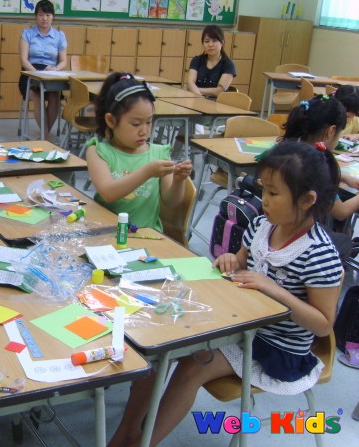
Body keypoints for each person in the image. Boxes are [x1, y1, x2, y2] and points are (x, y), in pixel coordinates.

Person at [108, 141, 343, 447]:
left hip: (276, 350)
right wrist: (229, 260)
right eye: (264, 189)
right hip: (240, 324)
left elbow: (323, 325)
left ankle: (144, 443)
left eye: (273, 193)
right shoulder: (262, 225)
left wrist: (275, 290)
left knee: (193, 367)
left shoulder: (319, 254)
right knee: (157, 346)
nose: (264, 200)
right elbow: (240, 262)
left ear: (307, 200)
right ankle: (125, 435)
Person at [86, 73, 192, 231]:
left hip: (146, 235)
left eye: (149, 122)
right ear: (111, 121)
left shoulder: (159, 153)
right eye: (136, 124)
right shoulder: (98, 151)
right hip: (106, 233)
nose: (144, 131)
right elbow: (108, 193)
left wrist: (178, 181)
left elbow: (172, 203)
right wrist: (147, 172)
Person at [282, 95, 359, 226]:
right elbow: (341, 212)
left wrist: (343, 177)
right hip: (303, 228)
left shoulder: (290, 150)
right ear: (331, 131)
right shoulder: (318, 165)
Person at [19, 0, 67, 138]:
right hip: (30, 74)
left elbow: (63, 61)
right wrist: (37, 73)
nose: (44, 18)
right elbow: (24, 60)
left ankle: (44, 135)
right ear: (36, 16)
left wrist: (55, 69)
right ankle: (45, 136)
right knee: (37, 96)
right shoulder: (27, 33)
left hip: (50, 74)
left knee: (55, 97)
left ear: (53, 16)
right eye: (40, 15)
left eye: (47, 15)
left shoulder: (59, 36)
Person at [186, 24, 236, 98]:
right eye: (206, 41)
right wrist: (200, 98)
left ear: (222, 42)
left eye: (214, 41)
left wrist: (196, 91)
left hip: (215, 102)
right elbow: (190, 83)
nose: (210, 45)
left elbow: (219, 91)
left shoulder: (228, 64)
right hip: (196, 99)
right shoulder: (197, 60)